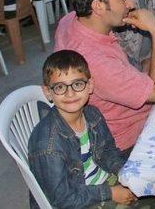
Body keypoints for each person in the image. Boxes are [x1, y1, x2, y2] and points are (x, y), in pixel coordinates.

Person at [54, 0, 155, 152]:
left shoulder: (71, 20)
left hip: (122, 115)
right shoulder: (95, 62)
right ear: (98, 6)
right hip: (129, 141)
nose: (131, 4)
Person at [28, 50, 137, 208]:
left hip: (100, 179)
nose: (70, 93)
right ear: (48, 92)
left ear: (90, 86)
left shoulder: (92, 114)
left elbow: (107, 151)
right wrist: (111, 193)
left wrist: (125, 173)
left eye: (77, 84)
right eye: (60, 87)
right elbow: (62, 199)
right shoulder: (47, 146)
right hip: (75, 201)